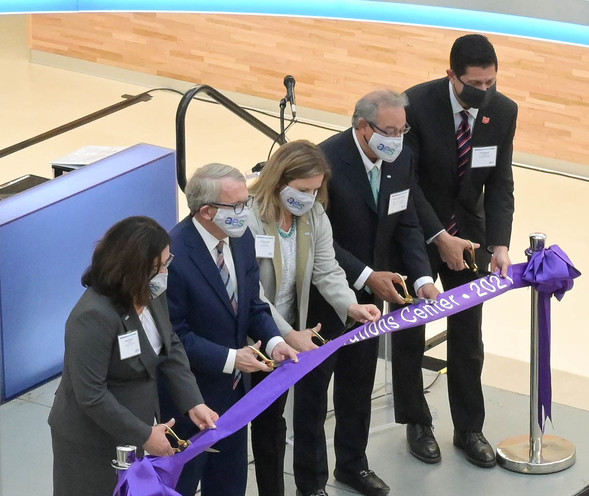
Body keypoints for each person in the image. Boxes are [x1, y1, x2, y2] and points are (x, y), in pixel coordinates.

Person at [293, 91, 439, 496]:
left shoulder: (402, 158)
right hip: (323, 296)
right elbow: (317, 236)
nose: (397, 138)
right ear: (362, 127)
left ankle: (352, 466)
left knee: (358, 382)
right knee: (313, 394)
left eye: (402, 130)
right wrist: (366, 275)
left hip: (371, 298)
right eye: (389, 131)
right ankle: (311, 484)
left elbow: (407, 221)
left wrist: (423, 278)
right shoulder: (326, 163)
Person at [392, 33, 517, 468]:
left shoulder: (503, 111)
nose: (485, 92)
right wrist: (438, 237)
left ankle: (469, 428)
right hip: (416, 232)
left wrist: (500, 243)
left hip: (471, 234)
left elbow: (500, 181)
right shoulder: (415, 105)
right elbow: (406, 181)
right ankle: (417, 421)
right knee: (410, 329)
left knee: (469, 336)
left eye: (491, 83)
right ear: (452, 76)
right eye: (475, 84)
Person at [48, 216, 218, 496]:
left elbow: (169, 344)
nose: (165, 272)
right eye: (157, 267)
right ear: (130, 269)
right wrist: (144, 435)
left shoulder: (150, 290)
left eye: (166, 262)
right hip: (92, 441)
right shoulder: (93, 316)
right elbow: (91, 394)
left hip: (133, 428)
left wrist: (193, 401)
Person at [248, 140, 381, 496]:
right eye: (303, 189)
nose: (309, 197)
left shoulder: (313, 216)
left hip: (288, 331)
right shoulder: (250, 217)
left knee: (272, 423)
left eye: (316, 189)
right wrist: (288, 334)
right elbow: (252, 293)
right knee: (250, 422)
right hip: (254, 332)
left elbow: (327, 269)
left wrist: (352, 306)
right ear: (279, 180)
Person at [159, 163, 299, 496]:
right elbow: (173, 336)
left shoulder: (241, 237)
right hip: (189, 399)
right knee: (180, 484)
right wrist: (231, 359)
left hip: (236, 398)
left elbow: (252, 305)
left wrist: (275, 340)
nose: (245, 212)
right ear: (206, 211)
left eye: (246, 202)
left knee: (228, 486)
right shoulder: (173, 254)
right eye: (236, 206)